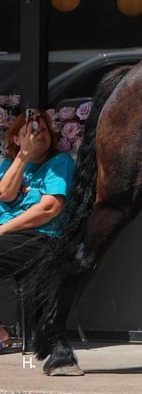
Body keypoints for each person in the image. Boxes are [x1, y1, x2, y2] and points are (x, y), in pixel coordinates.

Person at [0, 109, 75, 350]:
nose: (39, 135)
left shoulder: (59, 163)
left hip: (42, 237)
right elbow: (5, 194)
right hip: (9, 237)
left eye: (43, 129)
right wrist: (23, 155)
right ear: (16, 138)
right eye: (31, 131)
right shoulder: (9, 165)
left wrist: (3, 230)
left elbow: (49, 208)